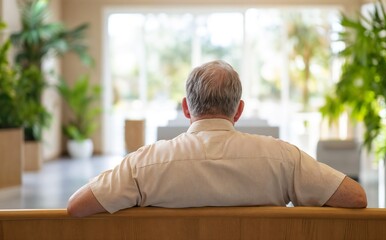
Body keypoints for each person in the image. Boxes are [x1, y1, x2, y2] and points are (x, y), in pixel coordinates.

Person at [67, 60, 367, 217]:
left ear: (186, 107)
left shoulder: (144, 164)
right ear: (238, 110)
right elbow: (356, 197)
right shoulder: (283, 158)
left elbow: (77, 206)